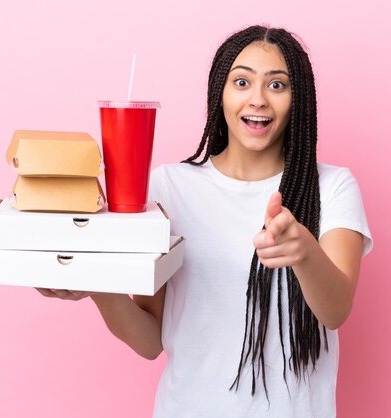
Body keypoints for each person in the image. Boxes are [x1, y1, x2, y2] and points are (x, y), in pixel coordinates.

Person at [37, 24, 373, 418]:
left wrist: (303, 251)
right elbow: (150, 341)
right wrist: (96, 285)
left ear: (298, 99)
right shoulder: (167, 189)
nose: (259, 99)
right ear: (220, 92)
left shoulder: (331, 187)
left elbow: (335, 311)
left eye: (277, 85)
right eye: (242, 81)